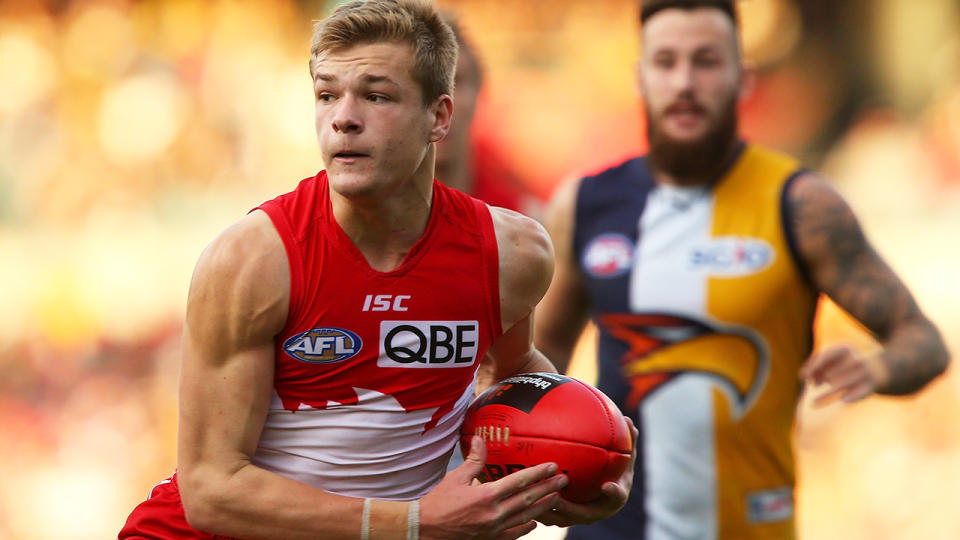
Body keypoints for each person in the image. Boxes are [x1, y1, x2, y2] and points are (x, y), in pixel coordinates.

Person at [118, 1, 635, 539]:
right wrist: (415, 523)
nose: (343, 116)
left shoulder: (513, 253)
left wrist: (588, 453)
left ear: (439, 117)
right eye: (326, 94)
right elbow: (211, 490)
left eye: (375, 95)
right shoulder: (252, 261)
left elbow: (510, 369)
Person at [533, 1, 951, 539]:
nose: (684, 82)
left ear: (742, 78)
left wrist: (878, 370)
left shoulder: (800, 205)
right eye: (666, 62)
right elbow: (540, 366)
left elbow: (924, 342)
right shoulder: (587, 204)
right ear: (640, 77)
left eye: (706, 61)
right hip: (612, 528)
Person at [435, 14, 541, 219]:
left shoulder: (520, 219)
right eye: (425, 84)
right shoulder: (367, 218)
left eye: (454, 82)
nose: (440, 104)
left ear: (480, 91)